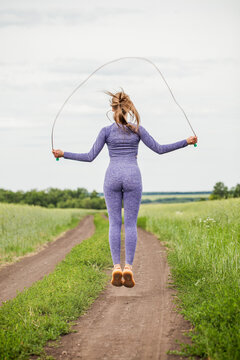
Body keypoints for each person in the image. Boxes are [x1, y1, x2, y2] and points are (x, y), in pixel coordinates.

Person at [52, 89, 197, 288]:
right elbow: (160, 149)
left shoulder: (105, 131)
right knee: (130, 224)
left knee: (114, 223)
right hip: (132, 177)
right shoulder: (137, 129)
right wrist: (186, 142)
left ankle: (116, 267)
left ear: (112, 109)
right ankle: (128, 267)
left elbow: (89, 156)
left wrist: (63, 153)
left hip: (111, 177)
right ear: (128, 108)